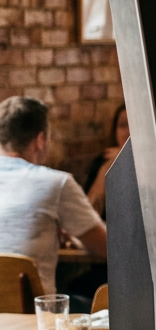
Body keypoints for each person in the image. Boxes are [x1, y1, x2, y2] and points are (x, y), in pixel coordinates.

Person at [0, 97, 107, 297]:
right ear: (40, 140)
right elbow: (107, 247)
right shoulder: (55, 183)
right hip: (31, 320)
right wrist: (76, 234)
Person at [83, 104, 130, 219]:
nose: (128, 131)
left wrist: (127, 159)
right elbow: (88, 216)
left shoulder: (154, 165)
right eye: (123, 125)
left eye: (134, 124)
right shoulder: (103, 160)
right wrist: (106, 169)